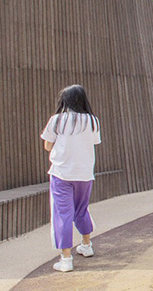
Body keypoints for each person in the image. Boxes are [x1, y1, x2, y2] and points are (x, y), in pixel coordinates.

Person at [40, 85, 101, 272]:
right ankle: (86, 245)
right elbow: (93, 142)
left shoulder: (57, 120)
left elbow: (48, 146)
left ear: (64, 101)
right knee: (82, 209)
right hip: (84, 174)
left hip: (62, 173)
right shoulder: (92, 121)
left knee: (62, 214)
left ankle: (66, 259)